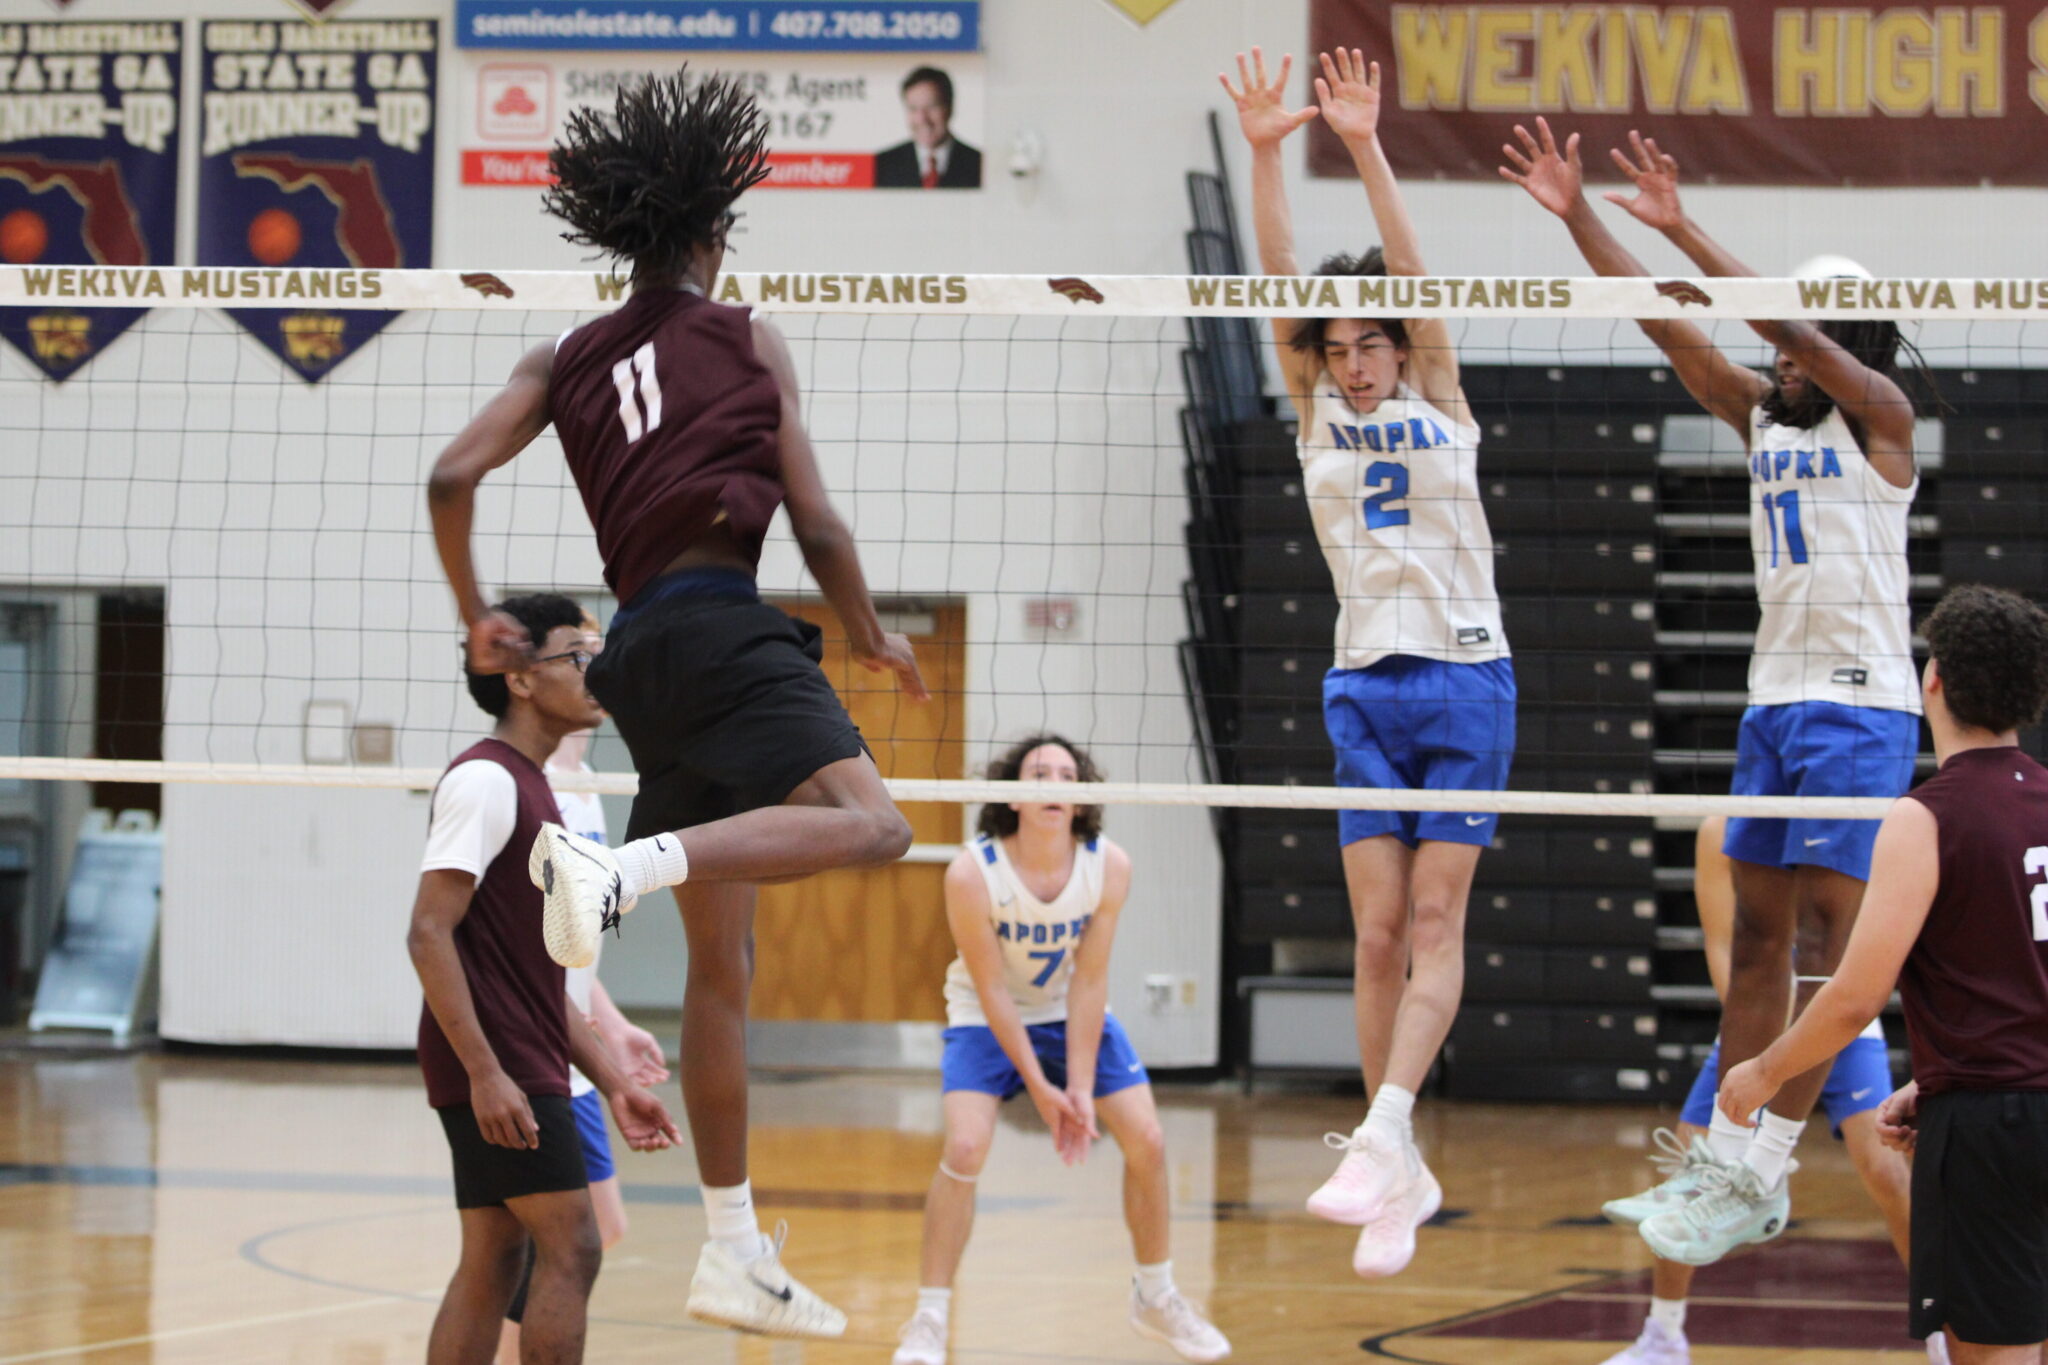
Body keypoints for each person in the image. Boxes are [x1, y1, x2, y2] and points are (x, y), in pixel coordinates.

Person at [427, 70, 926, 1338]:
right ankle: (620, 871)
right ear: (715, 226)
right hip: (717, 621)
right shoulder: (746, 334)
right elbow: (812, 518)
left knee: (724, 962)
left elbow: (449, 473)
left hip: (637, 646)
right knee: (877, 829)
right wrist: (865, 627)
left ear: (615, 229)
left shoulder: (562, 354)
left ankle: (731, 1248)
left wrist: (474, 615)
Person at [1501, 118, 1926, 1266]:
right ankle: (1724, 1164)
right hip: (1771, 708)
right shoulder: (1755, 417)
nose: (1786, 360)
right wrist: (1579, 214)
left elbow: (1777, 324)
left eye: (1806, 344)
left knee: (1835, 957)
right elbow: (1660, 320)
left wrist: (1685, 220)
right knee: (1754, 951)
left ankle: (1762, 1172)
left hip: (1860, 707)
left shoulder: (1882, 423)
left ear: (1846, 344)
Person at [1222, 46, 1514, 1278]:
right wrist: (1264, 150)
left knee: (1437, 910)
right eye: (1336, 347)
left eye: (1367, 343)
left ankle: (1385, 1129)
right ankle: (1392, 1166)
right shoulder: (1315, 415)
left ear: (1396, 346)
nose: (1351, 358)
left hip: (1463, 675)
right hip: (1361, 681)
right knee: (1378, 932)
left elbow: (1409, 269)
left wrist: (1361, 142)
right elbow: (1275, 284)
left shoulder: (1436, 393)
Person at [1720, 584, 2048, 1365]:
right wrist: (1940, 1080)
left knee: (1997, 1356)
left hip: (1990, 1129)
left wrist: (1764, 1072)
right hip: (2005, 1094)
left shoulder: (1925, 815)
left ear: (1931, 680)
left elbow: (1855, 995)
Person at [892, 736, 1230, 1365]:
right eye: (1038, 773)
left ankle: (1156, 1295)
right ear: (1014, 797)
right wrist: (1039, 1091)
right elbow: (990, 988)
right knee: (965, 1147)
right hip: (983, 1019)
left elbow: (1091, 980)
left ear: (1081, 798)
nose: (1053, 783)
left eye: (1067, 775)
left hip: (1068, 1013)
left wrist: (1076, 1084)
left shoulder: (1109, 866)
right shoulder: (972, 872)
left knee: (1149, 1141)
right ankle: (929, 1317)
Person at [406, 591, 680, 1365]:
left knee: (495, 1257)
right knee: (574, 1247)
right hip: (500, 1061)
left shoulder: (537, 787)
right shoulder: (486, 781)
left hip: (522, 1047)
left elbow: (539, 978)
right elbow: (428, 932)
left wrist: (613, 1078)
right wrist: (487, 1072)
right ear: (521, 679)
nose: (595, 670)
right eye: (574, 655)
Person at [1596, 817, 1943, 1365]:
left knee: (1887, 1172)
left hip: (1835, 1022)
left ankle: (1941, 1334)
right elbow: (1725, 952)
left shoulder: (1841, 818)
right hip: (1758, 1029)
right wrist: (1770, 1053)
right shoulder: (1722, 832)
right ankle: (1663, 1336)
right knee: (1692, 1169)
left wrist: (1807, 1040)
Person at [497, 627, 672, 1365]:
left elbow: (572, 948)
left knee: (593, 1230)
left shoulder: (588, 780)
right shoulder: (526, 786)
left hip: (571, 1041)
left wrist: (613, 1022)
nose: (598, 668)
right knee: (548, 1242)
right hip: (536, 1048)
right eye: (579, 655)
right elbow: (516, 943)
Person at [874, 66, 981, 188]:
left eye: (931, 107)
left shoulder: (980, 165)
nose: (922, 119)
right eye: (913, 109)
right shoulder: (882, 165)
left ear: (950, 108)